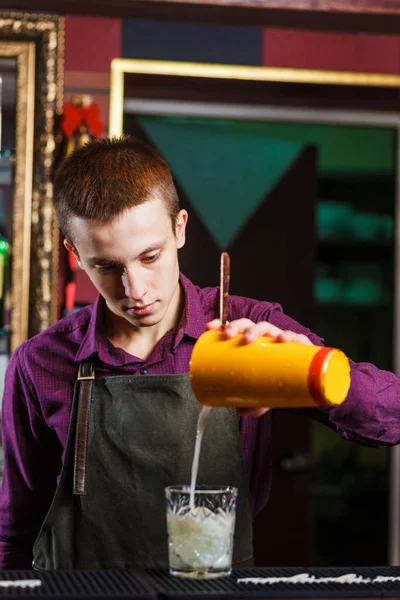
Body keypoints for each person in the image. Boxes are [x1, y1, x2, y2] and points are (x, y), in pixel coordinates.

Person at [0, 136, 399, 570]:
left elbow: (393, 416)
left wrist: (310, 370)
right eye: (107, 267)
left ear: (180, 228)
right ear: (74, 254)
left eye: (150, 256)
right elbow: (16, 527)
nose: (135, 291)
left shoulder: (250, 330)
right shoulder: (39, 363)